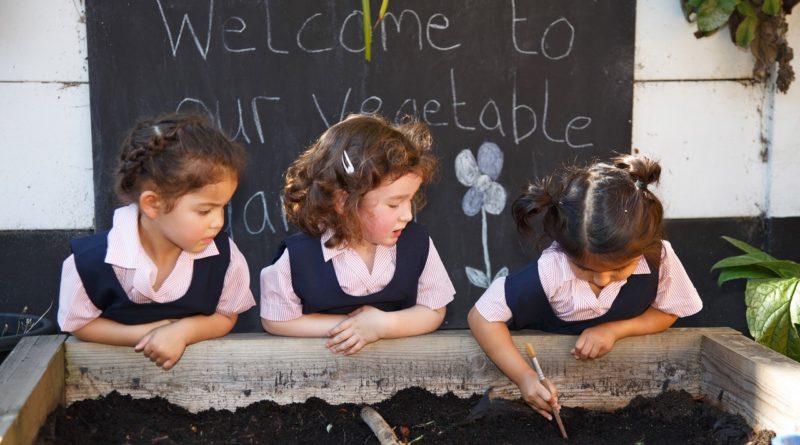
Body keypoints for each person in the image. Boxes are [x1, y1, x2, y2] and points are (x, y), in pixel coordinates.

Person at [468, 154, 703, 419]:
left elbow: (669, 311)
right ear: (564, 248)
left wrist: (614, 330)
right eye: (586, 269)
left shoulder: (658, 257)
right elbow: (482, 317)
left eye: (617, 270)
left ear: (643, 250)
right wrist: (525, 377)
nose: (602, 280)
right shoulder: (552, 268)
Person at [57, 113, 256, 370]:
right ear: (153, 204)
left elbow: (227, 315)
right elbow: (79, 323)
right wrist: (148, 334)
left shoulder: (225, 256)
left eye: (223, 208)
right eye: (205, 211)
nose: (218, 222)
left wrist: (182, 332)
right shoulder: (90, 262)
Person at [260, 113, 455, 355]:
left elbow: (434, 309)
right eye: (394, 204)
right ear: (343, 201)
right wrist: (354, 328)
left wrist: (384, 326)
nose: (407, 214)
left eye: (410, 200)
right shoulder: (300, 256)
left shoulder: (417, 244)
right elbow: (276, 319)